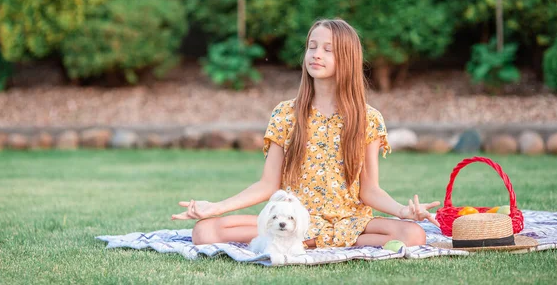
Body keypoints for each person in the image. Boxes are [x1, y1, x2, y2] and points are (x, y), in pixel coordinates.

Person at [172, 18, 440, 249]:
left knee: (413, 234)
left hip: (349, 221)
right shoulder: (286, 114)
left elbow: (370, 190)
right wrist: (217, 207)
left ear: (347, 59)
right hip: (293, 219)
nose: (316, 54)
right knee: (204, 232)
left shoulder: (368, 118)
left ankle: (315, 241)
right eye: (312, 46)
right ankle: (306, 239)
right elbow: (268, 184)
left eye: (327, 49)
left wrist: (403, 211)